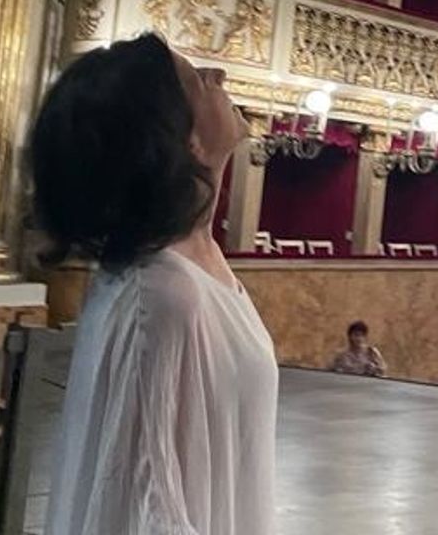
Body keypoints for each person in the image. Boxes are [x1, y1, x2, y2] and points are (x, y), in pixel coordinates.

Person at [33, 33, 278, 535]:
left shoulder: (198, 268)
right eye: (197, 80)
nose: (220, 77)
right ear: (182, 137)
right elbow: (143, 497)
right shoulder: (160, 295)